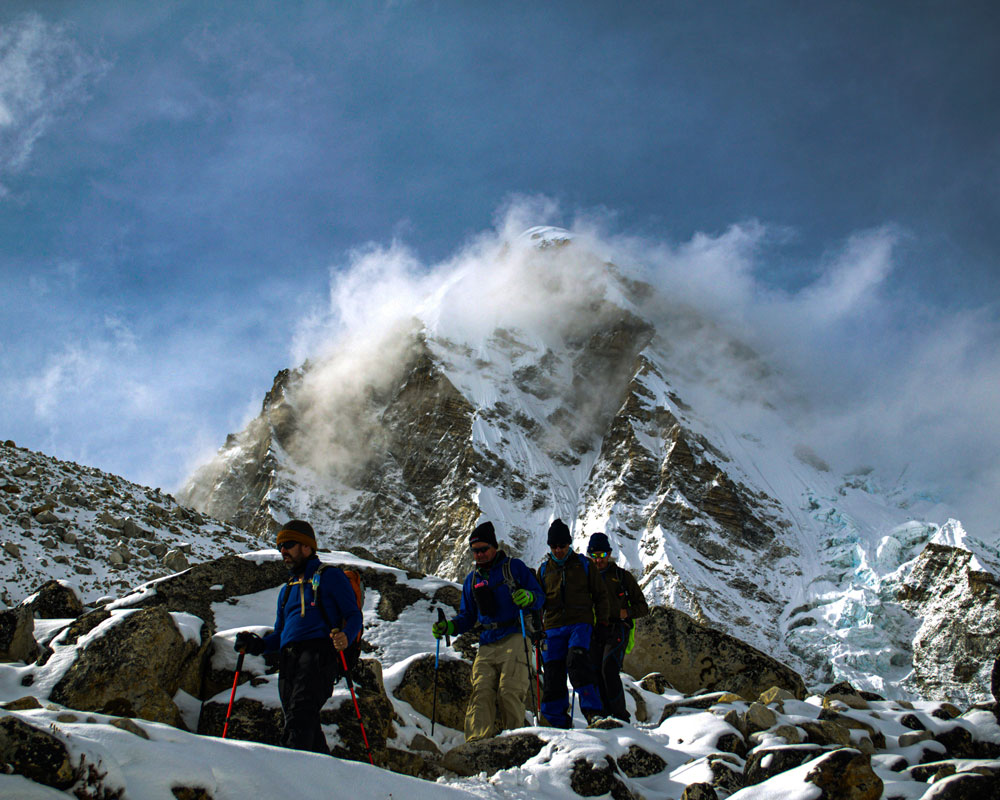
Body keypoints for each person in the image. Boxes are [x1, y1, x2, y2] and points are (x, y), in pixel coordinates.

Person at [234, 519, 363, 754]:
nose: (283, 550)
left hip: (319, 653)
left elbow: (354, 614)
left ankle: (290, 777)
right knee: (302, 721)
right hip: (288, 660)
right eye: (280, 546)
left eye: (289, 544)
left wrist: (346, 636)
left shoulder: (331, 576)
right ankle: (327, 775)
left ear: (307, 547)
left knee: (300, 716)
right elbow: (281, 634)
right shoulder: (286, 590)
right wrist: (257, 645)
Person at [431, 521, 544, 741]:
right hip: (487, 642)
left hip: (515, 635)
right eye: (475, 551)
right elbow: (467, 617)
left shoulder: (514, 568)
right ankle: (477, 744)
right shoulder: (471, 581)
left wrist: (529, 597)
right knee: (481, 692)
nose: (480, 555)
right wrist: (450, 627)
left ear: (494, 547)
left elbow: (539, 596)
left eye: (483, 549)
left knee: (509, 690)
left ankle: (517, 743)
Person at [537, 518, 610, 727]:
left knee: (577, 663)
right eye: (554, 546)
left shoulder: (584, 565)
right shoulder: (543, 570)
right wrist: (537, 628)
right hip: (552, 628)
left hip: (580, 623)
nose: (558, 550)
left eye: (562, 546)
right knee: (552, 674)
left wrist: (602, 623)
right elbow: (539, 601)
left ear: (569, 544)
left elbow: (601, 595)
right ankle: (555, 719)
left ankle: (593, 712)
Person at [586, 532, 649, 722]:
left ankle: (620, 716)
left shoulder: (622, 577)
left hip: (617, 629)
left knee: (609, 668)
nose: (598, 560)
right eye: (594, 556)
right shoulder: (586, 578)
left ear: (609, 554)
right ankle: (604, 715)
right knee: (596, 671)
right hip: (596, 631)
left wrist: (627, 613)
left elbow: (642, 607)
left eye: (602, 555)